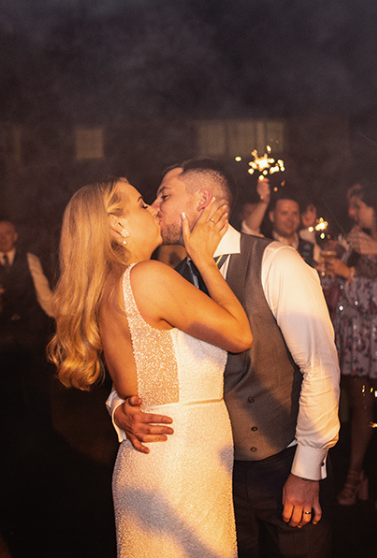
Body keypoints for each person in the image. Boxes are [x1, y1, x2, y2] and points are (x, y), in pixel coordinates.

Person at [110, 159, 340, 558]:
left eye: (165, 195)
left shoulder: (276, 262)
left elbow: (319, 368)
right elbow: (146, 361)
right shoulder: (168, 280)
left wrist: (306, 470)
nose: (155, 205)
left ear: (202, 200)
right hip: (210, 474)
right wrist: (117, 408)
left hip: (282, 462)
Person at [47, 178, 252, 557]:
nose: (155, 208)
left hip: (158, 461)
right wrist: (205, 261)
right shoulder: (147, 278)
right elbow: (240, 335)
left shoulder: (111, 284)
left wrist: (117, 409)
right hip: (181, 463)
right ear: (116, 224)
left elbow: (137, 377)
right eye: (143, 204)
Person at [324, 183, 377, 508]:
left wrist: (348, 271)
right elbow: (335, 284)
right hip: (353, 339)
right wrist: (328, 269)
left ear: (376, 207)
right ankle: (354, 473)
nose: (353, 213)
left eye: (359, 206)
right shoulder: (355, 240)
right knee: (360, 409)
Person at [0, 219, 54, 423]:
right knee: (5, 384)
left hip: (29, 330)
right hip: (0, 335)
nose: (2, 238)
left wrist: (62, 319)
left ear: (15, 236)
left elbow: (44, 294)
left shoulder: (30, 260)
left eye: (7, 233)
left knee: (35, 382)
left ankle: (42, 428)